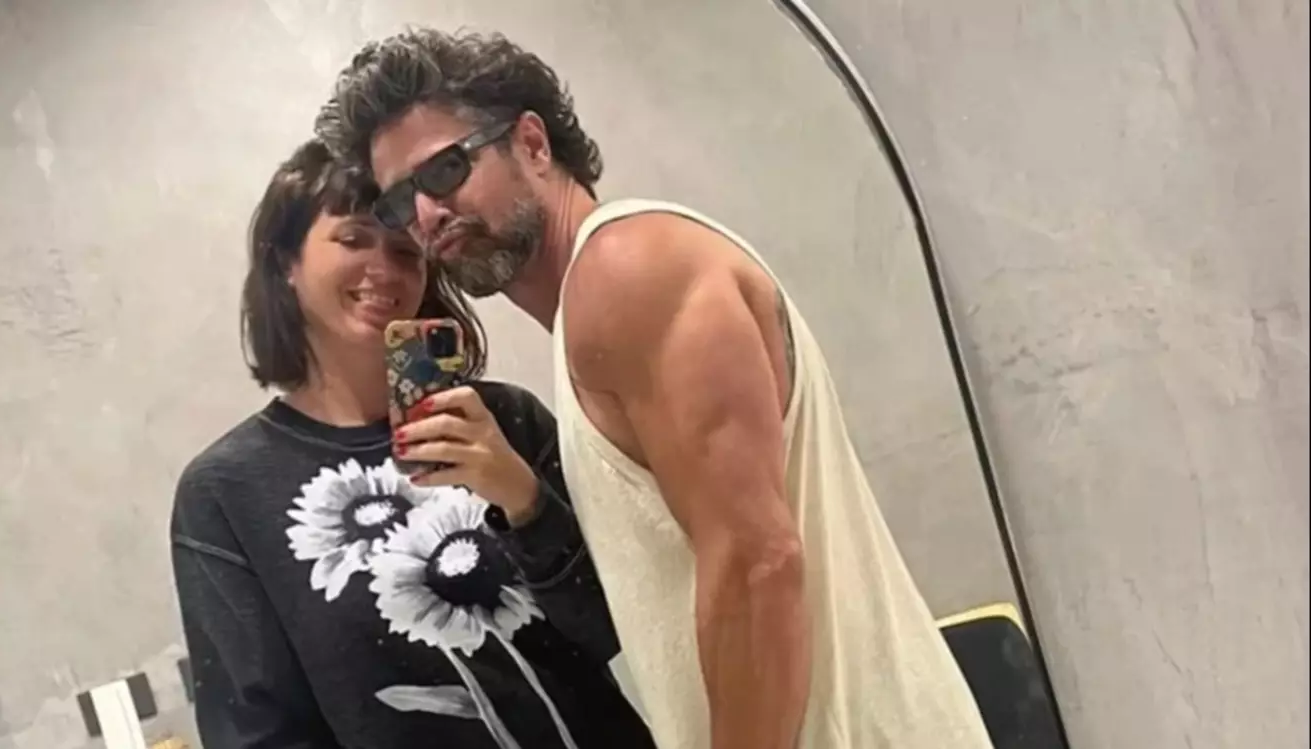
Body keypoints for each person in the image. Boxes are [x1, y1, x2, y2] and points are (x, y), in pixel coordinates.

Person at [314, 28, 997, 749]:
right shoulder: (597, 300)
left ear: (533, 144)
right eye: (398, 203)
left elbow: (757, 566)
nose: (426, 216)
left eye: (446, 169)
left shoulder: (627, 270)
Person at [169, 139, 655, 749]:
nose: (384, 269)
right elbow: (256, 731)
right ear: (285, 262)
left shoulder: (507, 419)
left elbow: (623, 629)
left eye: (405, 251)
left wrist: (524, 501)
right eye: (353, 240)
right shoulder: (226, 494)